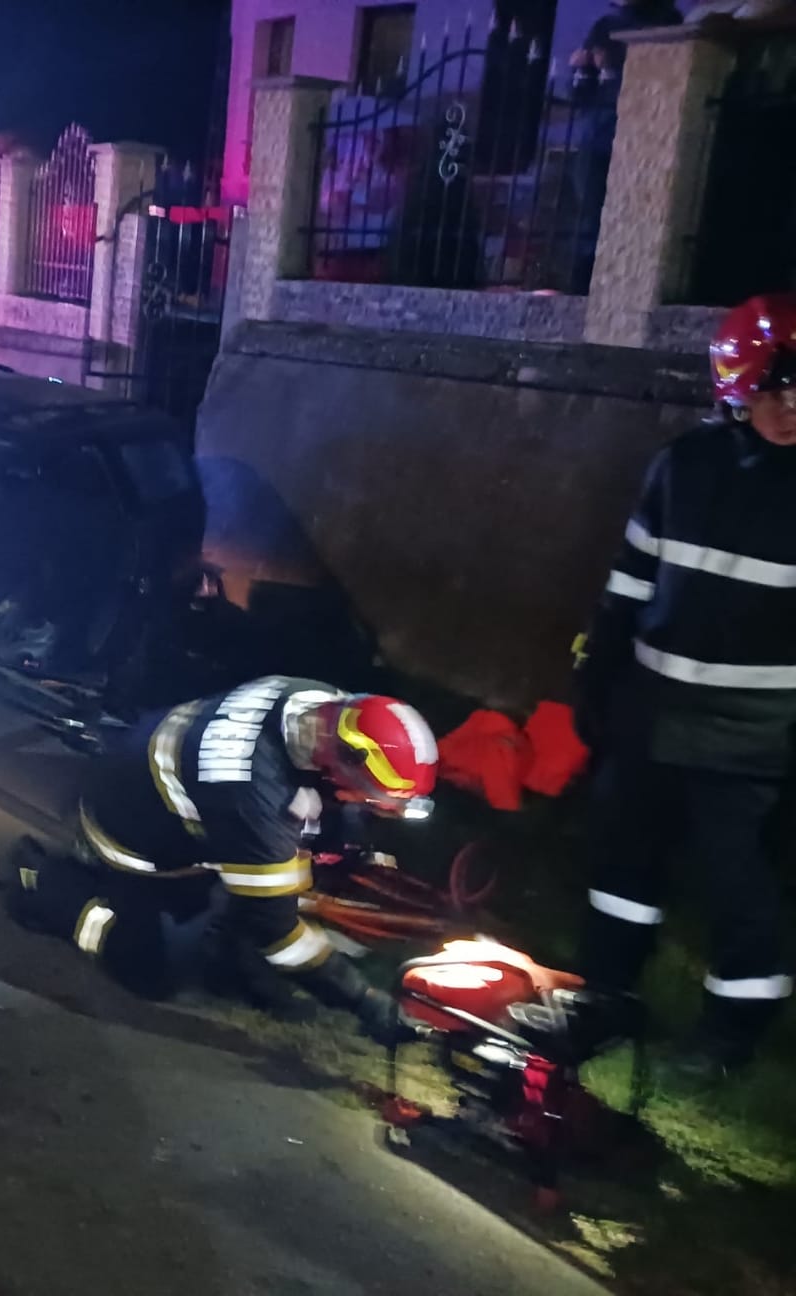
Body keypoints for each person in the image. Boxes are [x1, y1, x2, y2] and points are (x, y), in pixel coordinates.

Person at [573, 294, 796, 1078]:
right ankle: (606, 994)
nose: (790, 408)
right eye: (774, 390)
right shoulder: (684, 466)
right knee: (623, 865)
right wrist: (598, 672)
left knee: (740, 886)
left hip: (754, 735)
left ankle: (731, 1035)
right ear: (737, 387)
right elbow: (632, 581)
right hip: (652, 716)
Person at [11, 676, 439, 1039]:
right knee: (153, 973)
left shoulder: (318, 703)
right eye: (373, 798)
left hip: (146, 778)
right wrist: (363, 1000)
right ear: (340, 761)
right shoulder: (254, 796)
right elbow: (279, 932)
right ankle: (51, 887)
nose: (373, 807)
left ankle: (234, 962)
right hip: (133, 840)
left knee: (268, 878)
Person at [567, 0, 683, 291]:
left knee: (632, 217)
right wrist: (581, 70)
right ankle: (582, 286)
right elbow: (580, 92)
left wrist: (609, 72)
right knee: (590, 216)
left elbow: (657, 84)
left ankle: (621, 286)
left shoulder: (669, 23)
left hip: (642, 138)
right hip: (596, 137)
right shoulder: (606, 26)